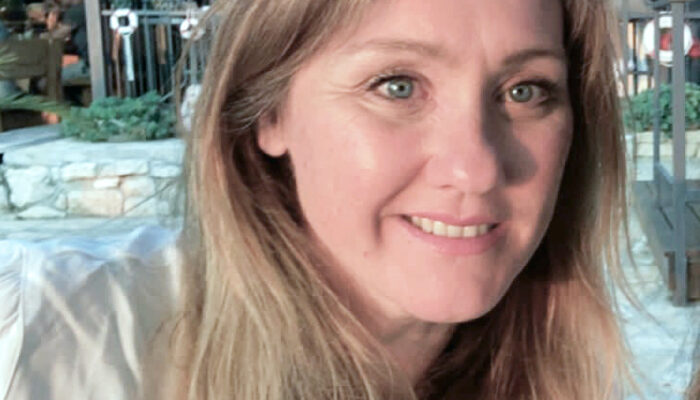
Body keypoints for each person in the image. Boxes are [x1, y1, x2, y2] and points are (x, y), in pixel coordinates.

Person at [0, 0, 634, 399]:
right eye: (397, 85)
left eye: (525, 91)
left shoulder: (566, 377)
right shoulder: (42, 339)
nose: (477, 169)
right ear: (268, 112)